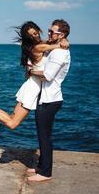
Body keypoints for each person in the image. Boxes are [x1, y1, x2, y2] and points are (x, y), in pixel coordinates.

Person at [0, 21, 68, 130]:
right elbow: (58, 46)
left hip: (36, 87)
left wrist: (64, 39)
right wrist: (64, 41)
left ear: (39, 31)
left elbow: (52, 43)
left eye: (35, 33)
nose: (34, 37)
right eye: (30, 36)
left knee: (12, 119)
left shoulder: (40, 44)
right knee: (12, 123)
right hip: (32, 88)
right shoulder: (37, 47)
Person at [27, 19, 71, 182]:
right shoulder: (57, 48)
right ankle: (41, 165)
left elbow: (48, 75)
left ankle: (46, 172)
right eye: (50, 30)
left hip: (50, 100)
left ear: (62, 34)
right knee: (42, 135)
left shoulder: (60, 52)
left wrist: (31, 71)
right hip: (46, 98)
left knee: (44, 136)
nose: (49, 33)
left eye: (53, 32)